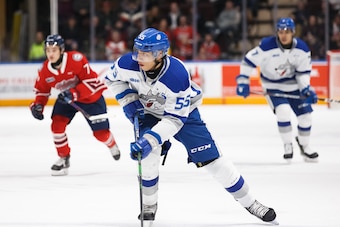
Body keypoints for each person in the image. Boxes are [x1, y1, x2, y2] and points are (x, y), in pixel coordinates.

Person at [105, 28, 277, 224]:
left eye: (146, 53)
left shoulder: (176, 75)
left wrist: (152, 139)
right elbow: (112, 79)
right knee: (147, 157)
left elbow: (174, 120)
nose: (139, 57)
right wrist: (128, 100)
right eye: (138, 51)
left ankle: (251, 203)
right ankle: (149, 205)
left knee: (214, 162)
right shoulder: (127, 64)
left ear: (160, 54)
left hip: (184, 115)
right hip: (148, 112)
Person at [29, 34, 121, 176]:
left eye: (54, 50)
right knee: (57, 125)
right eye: (48, 50)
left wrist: (74, 93)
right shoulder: (45, 70)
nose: (50, 53)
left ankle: (111, 144)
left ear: (61, 50)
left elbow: (93, 82)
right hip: (68, 99)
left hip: (90, 98)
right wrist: (38, 105)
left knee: (101, 134)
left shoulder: (76, 59)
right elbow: (42, 90)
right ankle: (64, 157)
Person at [236, 17, 319, 162]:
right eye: (281, 31)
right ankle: (288, 145)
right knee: (283, 111)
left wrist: (306, 89)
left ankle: (305, 146)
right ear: (277, 32)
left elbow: (303, 73)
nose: (284, 34)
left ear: (293, 32)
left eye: (287, 31)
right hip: (273, 87)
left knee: (306, 118)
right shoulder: (266, 45)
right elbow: (248, 61)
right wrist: (243, 81)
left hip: (294, 87)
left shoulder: (302, 49)